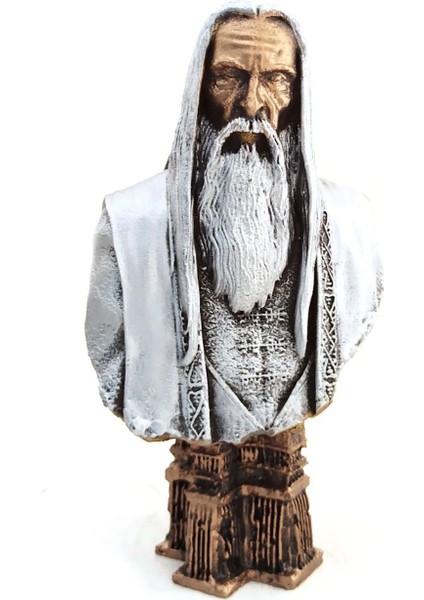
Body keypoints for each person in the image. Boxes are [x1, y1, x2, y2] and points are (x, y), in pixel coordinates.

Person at [85, 3, 382, 593]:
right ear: (199, 88)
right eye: (229, 77)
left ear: (298, 95)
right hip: (197, 447)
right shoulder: (130, 227)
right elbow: (109, 346)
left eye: (277, 80)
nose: (252, 105)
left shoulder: (352, 227)